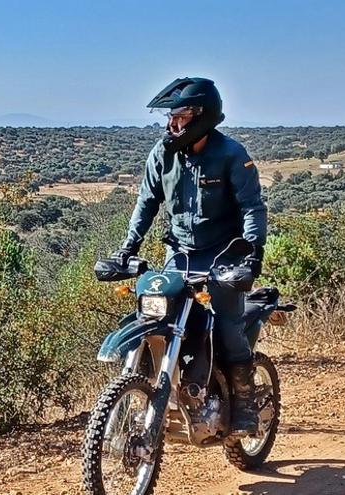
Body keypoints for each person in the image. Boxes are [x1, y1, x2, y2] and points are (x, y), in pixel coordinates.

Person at [112, 77, 267, 435]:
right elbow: (146, 205)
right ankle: (151, 393)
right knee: (155, 314)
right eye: (170, 117)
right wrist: (127, 249)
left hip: (225, 255)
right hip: (179, 255)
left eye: (179, 117)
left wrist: (252, 254)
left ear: (201, 116)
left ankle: (244, 401)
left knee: (227, 322)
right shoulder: (162, 155)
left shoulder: (231, 155)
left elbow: (252, 208)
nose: (172, 124)